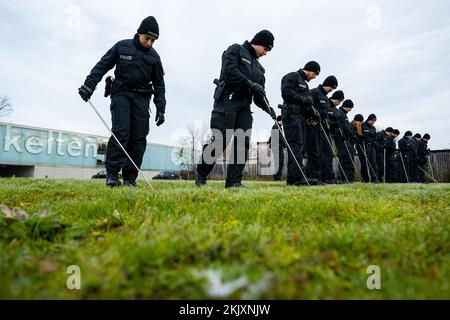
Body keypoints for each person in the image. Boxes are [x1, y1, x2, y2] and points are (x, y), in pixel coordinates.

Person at [78, 16, 166, 188]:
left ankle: (130, 179)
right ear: (139, 33)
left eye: (153, 40)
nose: (149, 43)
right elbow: (102, 66)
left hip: (142, 98)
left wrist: (161, 108)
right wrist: (89, 85)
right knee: (121, 132)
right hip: (121, 94)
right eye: (147, 38)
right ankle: (112, 174)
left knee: (139, 138)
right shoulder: (122, 46)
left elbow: (160, 86)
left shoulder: (155, 58)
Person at [195, 30, 277, 188]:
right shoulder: (236, 50)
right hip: (227, 100)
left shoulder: (260, 69)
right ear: (258, 42)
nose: (266, 53)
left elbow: (259, 95)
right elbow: (229, 72)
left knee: (243, 141)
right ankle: (201, 172)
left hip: (244, 106)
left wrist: (268, 108)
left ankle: (234, 182)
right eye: (266, 49)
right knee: (221, 139)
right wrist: (250, 84)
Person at [280, 61, 321, 186]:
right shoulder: (292, 76)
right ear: (309, 69)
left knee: (301, 146)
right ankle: (296, 178)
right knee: (295, 145)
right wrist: (303, 99)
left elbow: (306, 103)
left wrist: (313, 112)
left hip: (301, 116)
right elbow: (286, 93)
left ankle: (296, 176)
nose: (314, 77)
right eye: (314, 74)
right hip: (291, 114)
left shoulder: (305, 85)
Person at [307, 76, 338, 183]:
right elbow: (307, 106)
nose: (331, 90)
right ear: (327, 84)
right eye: (331, 87)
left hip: (324, 128)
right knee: (314, 153)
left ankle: (324, 177)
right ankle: (313, 176)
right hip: (313, 126)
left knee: (324, 153)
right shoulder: (314, 92)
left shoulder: (326, 99)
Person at [335, 99, 357, 183]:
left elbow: (347, 127)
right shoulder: (340, 113)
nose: (350, 110)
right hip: (341, 138)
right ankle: (344, 177)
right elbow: (344, 127)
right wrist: (352, 135)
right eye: (350, 108)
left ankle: (348, 177)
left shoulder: (343, 114)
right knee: (345, 158)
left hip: (345, 138)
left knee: (348, 158)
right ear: (347, 106)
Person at [360, 114, 379, 183]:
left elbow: (375, 137)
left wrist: (374, 142)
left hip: (372, 147)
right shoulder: (362, 125)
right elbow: (360, 135)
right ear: (368, 119)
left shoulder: (373, 128)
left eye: (374, 121)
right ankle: (365, 179)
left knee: (374, 163)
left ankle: (374, 179)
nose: (373, 122)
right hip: (364, 146)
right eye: (372, 120)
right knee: (364, 163)